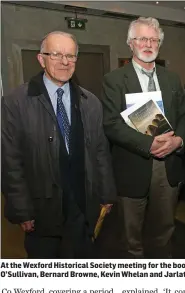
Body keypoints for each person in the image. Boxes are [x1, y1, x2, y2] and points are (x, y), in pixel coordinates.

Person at [1, 31, 116, 258]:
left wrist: (106, 195)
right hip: (41, 208)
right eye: (56, 55)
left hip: (83, 207)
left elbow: (100, 153)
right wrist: (21, 210)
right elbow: (9, 161)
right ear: (41, 59)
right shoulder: (15, 102)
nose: (65, 62)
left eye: (71, 56)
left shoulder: (90, 102)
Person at [102, 17, 185, 258]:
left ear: (159, 44)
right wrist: (148, 144)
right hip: (132, 166)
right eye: (142, 38)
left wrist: (178, 140)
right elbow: (111, 124)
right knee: (131, 237)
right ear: (130, 43)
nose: (148, 44)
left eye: (153, 39)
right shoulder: (114, 80)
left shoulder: (172, 78)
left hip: (167, 166)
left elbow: (184, 116)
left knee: (164, 232)